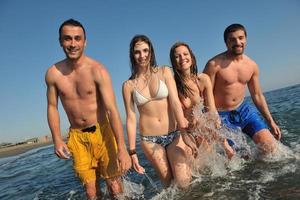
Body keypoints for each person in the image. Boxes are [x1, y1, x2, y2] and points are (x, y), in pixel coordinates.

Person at [45, 19, 131, 199]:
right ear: (60, 41)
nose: (73, 44)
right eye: (67, 39)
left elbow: (112, 110)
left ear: (85, 41)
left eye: (78, 38)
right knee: (91, 193)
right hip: (77, 138)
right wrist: (57, 140)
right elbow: (52, 107)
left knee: (115, 188)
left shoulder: (98, 70)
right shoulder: (53, 73)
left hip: (103, 132)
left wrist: (122, 148)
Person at [122, 35, 191, 189]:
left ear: (151, 52)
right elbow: (131, 118)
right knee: (168, 184)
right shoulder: (128, 85)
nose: (142, 55)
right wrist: (132, 152)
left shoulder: (164, 71)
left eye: (145, 50)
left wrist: (184, 132)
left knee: (183, 181)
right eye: (137, 52)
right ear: (132, 55)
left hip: (174, 134)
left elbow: (174, 102)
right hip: (149, 141)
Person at [203, 23, 281, 154]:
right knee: (239, 158)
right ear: (226, 43)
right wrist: (212, 120)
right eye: (232, 39)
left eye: (240, 38)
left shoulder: (252, 65)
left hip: (244, 110)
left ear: (246, 39)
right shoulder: (214, 65)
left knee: (270, 147)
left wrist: (271, 121)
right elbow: (204, 95)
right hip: (221, 116)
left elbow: (257, 95)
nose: (237, 42)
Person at [170, 42, 234, 159]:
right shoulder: (172, 85)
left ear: (191, 57)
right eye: (177, 56)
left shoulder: (203, 80)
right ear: (173, 62)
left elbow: (212, 111)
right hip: (182, 130)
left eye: (185, 54)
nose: (182, 58)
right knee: (196, 160)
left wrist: (221, 137)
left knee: (210, 159)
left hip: (200, 127)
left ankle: (226, 147)